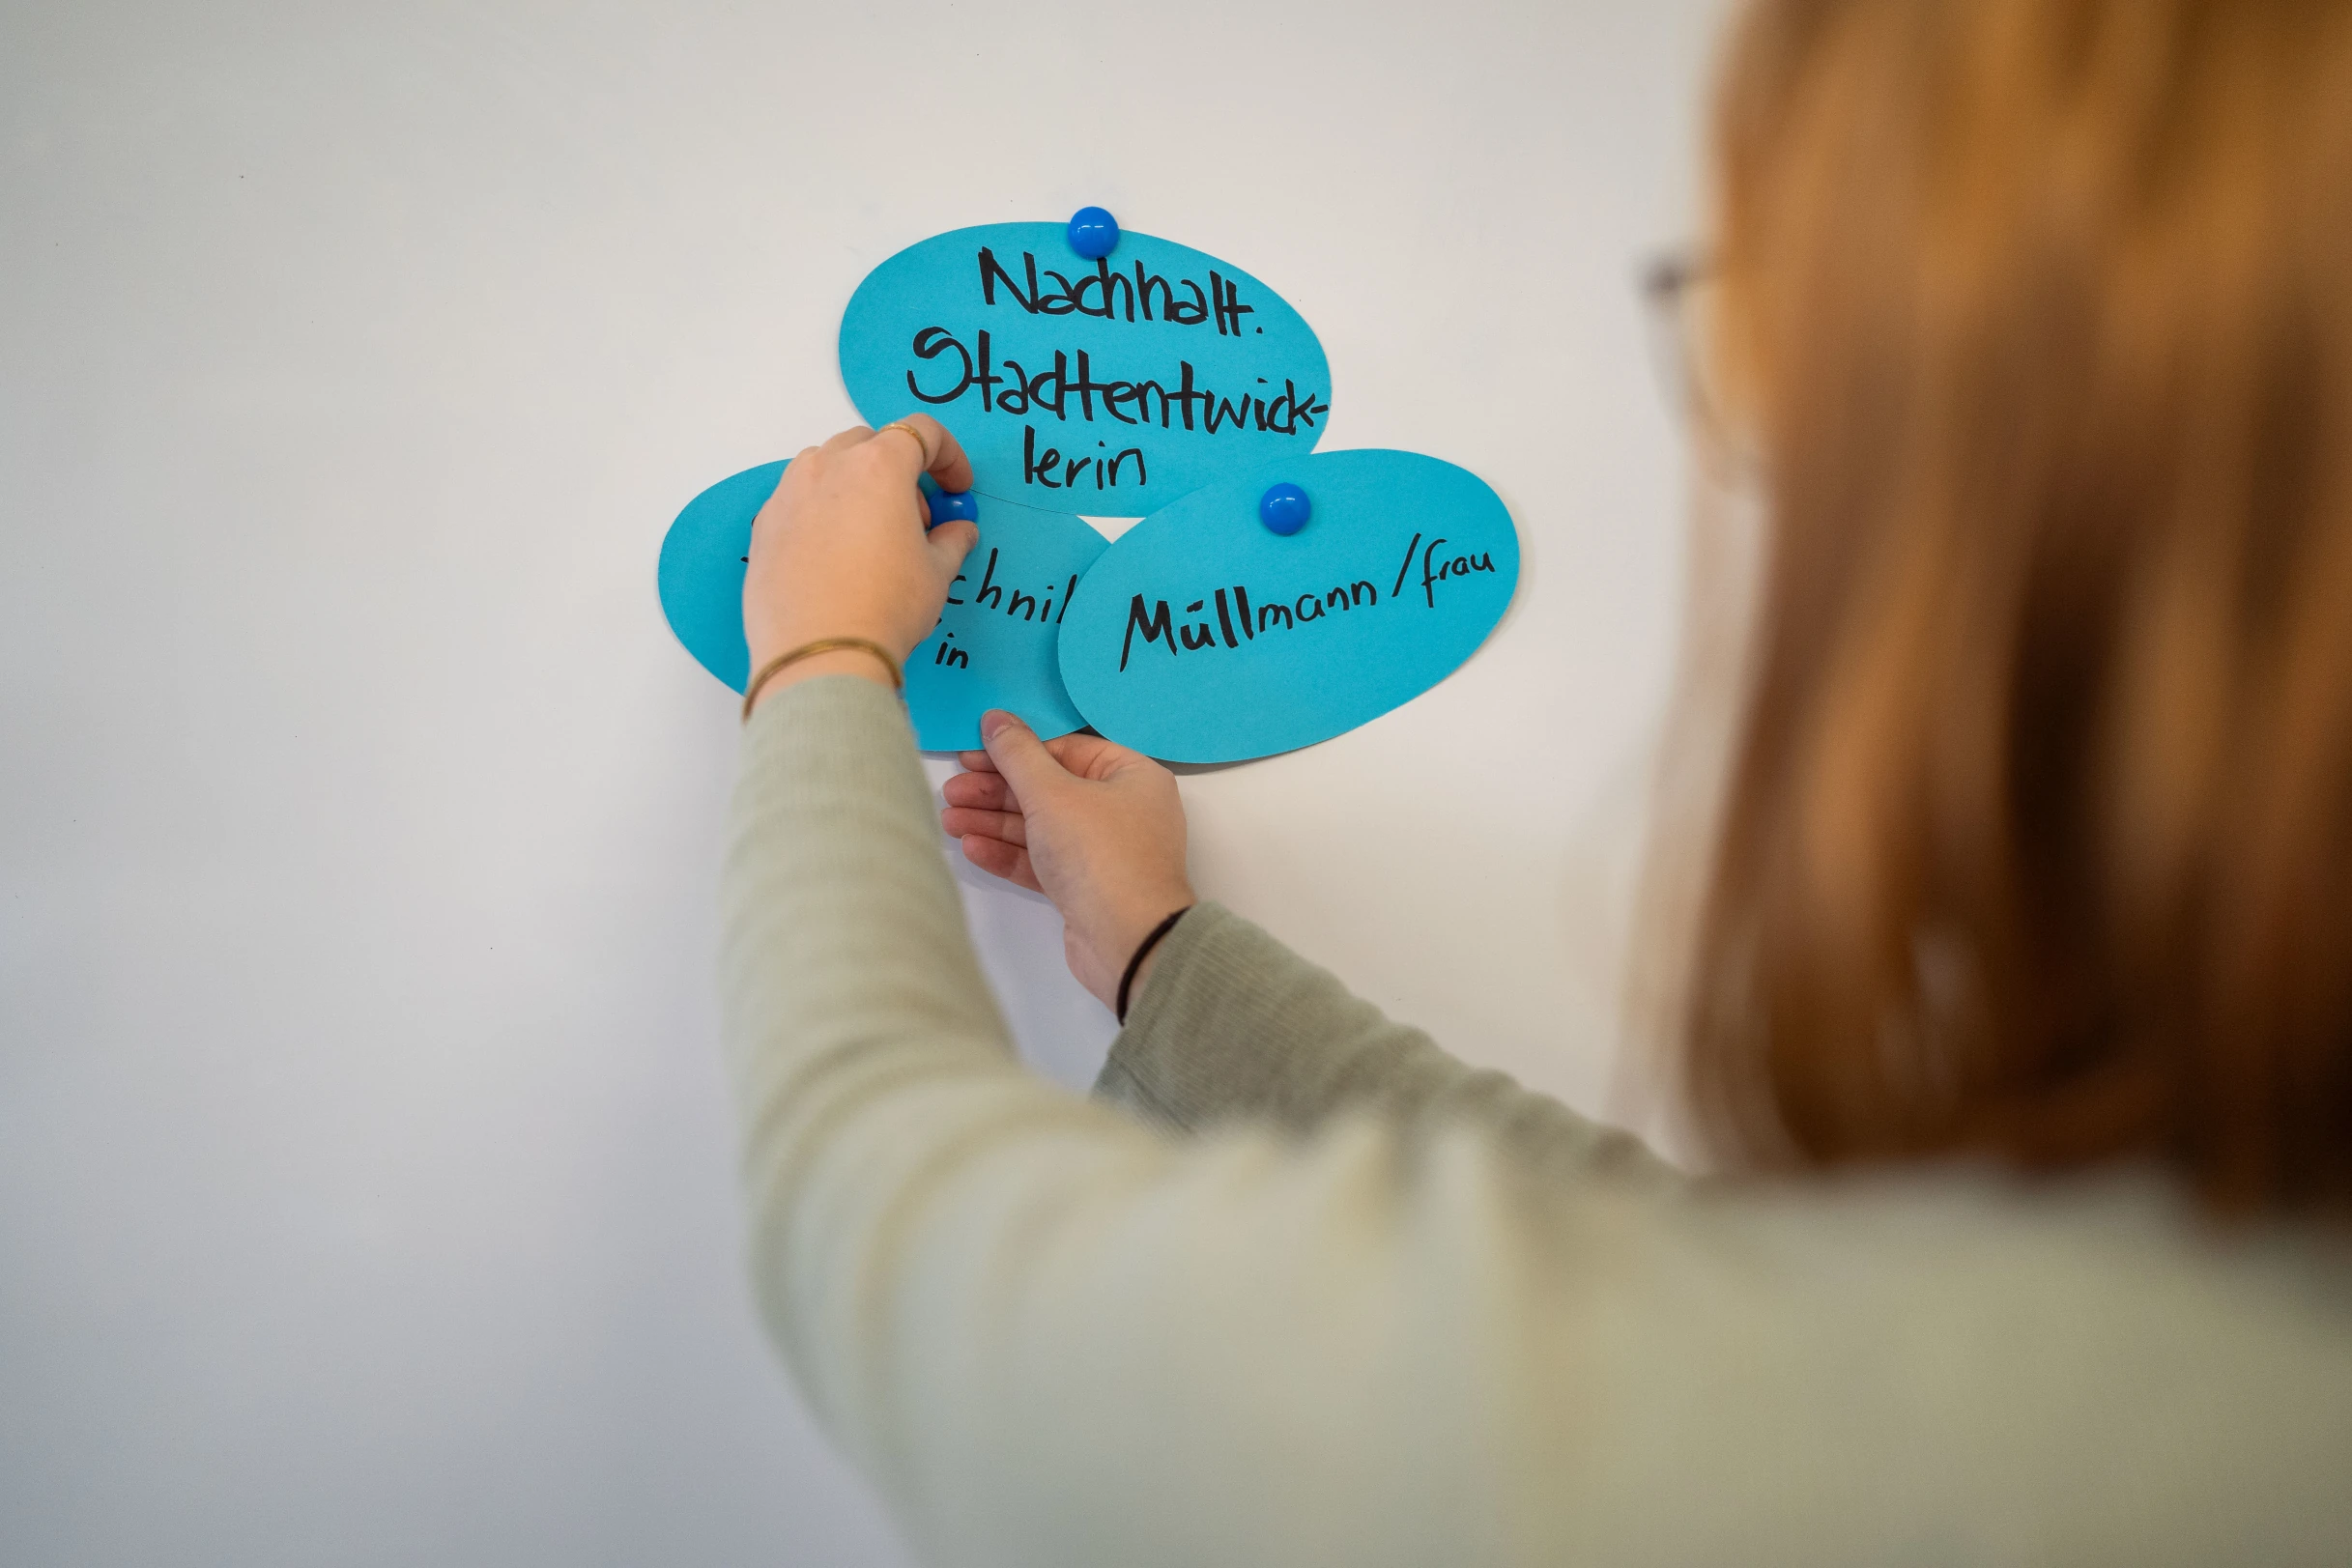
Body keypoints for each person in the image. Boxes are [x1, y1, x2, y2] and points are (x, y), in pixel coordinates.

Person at [720, 1, 2352, 1561]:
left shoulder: (1922, 1453)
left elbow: (896, 1234)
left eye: (1804, 382)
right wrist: (1156, 949)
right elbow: (1673, 1260)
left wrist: (818, 661)